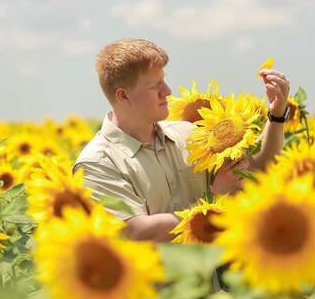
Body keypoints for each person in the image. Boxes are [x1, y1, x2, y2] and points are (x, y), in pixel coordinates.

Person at [73, 38, 290, 242]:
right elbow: (134, 232)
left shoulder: (188, 135)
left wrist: (277, 114)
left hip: (205, 283)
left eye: (164, 81)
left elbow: (254, 171)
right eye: (154, 86)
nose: (166, 91)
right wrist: (213, 202)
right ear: (123, 96)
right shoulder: (97, 164)